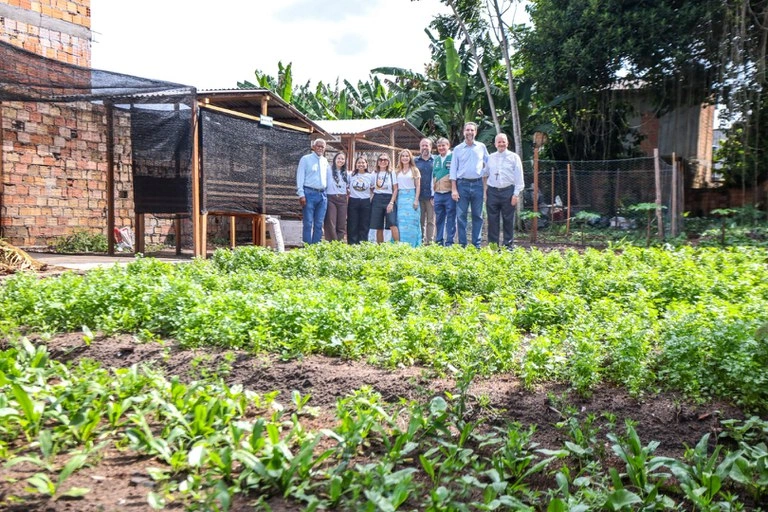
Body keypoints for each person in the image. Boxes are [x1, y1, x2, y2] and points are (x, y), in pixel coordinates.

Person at [451, 122, 489, 248]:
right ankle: (462, 245)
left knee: (477, 215)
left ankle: (476, 245)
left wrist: (484, 174)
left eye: (472, 130)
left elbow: (488, 163)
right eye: (467, 130)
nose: (469, 132)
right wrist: (454, 189)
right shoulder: (457, 149)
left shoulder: (481, 147)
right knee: (461, 216)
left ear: (475, 132)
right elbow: (453, 170)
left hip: (478, 184)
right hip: (462, 185)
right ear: (463, 132)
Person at [486, 133, 524, 249]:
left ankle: (508, 246)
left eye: (503, 141)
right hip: (492, 191)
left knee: (508, 219)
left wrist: (516, 194)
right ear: (495, 144)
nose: (501, 144)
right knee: (492, 220)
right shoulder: (490, 157)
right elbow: (485, 173)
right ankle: (493, 247)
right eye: (499, 142)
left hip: (508, 191)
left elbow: (519, 177)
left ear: (507, 143)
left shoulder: (514, 157)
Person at [296, 138, 328, 244]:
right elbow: (300, 176)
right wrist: (301, 194)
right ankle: (307, 247)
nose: (320, 148)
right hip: (309, 193)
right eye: (318, 146)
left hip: (322, 194)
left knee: (319, 223)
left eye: (322, 147)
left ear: (325, 148)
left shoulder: (325, 161)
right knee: (308, 223)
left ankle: (316, 246)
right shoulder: (305, 159)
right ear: (313, 147)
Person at [369, 153, 400, 243]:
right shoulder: (374, 174)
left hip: (389, 199)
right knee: (378, 225)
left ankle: (398, 246)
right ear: (378, 162)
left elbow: (395, 189)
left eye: (385, 160)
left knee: (392, 223)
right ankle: (380, 247)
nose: (383, 161)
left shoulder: (391, 173)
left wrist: (391, 202)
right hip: (377, 199)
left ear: (388, 162)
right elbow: (371, 186)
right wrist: (375, 193)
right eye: (381, 160)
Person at [395, 149, 422, 247]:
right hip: (401, 199)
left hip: (411, 198)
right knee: (401, 223)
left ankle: (413, 245)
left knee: (412, 222)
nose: (405, 158)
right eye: (403, 156)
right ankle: (401, 245)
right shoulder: (397, 171)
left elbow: (418, 186)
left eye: (407, 156)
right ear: (400, 158)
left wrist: (416, 200)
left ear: (410, 157)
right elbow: (395, 187)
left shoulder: (415, 170)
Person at [432, 137, 455, 246]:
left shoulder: (453, 157)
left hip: (449, 193)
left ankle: (449, 242)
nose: (441, 148)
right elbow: (433, 176)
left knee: (451, 218)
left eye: (443, 145)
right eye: (439, 146)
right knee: (439, 219)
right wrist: (433, 194)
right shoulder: (436, 159)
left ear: (448, 145)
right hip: (438, 194)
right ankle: (439, 241)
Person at [347, 156, 374, 244]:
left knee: (364, 224)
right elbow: (346, 187)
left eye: (363, 163)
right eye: (359, 162)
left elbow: (373, 188)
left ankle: (363, 243)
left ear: (366, 164)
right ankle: (352, 243)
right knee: (352, 223)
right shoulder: (350, 175)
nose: (361, 164)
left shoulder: (371, 176)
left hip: (365, 201)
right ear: (356, 164)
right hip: (353, 201)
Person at [324, 152, 349, 242]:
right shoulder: (328, 170)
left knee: (341, 223)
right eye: (338, 158)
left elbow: (349, 186)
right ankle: (332, 243)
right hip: (331, 198)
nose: (340, 160)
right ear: (334, 159)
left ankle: (340, 243)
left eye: (342, 159)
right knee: (331, 222)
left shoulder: (346, 173)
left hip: (342, 199)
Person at [415, 138, 435, 245]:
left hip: (431, 197)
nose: (424, 148)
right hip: (419, 196)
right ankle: (421, 242)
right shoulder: (415, 161)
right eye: (422, 145)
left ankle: (430, 242)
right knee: (420, 220)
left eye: (426, 145)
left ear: (431, 147)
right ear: (420, 147)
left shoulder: (435, 160)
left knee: (431, 221)